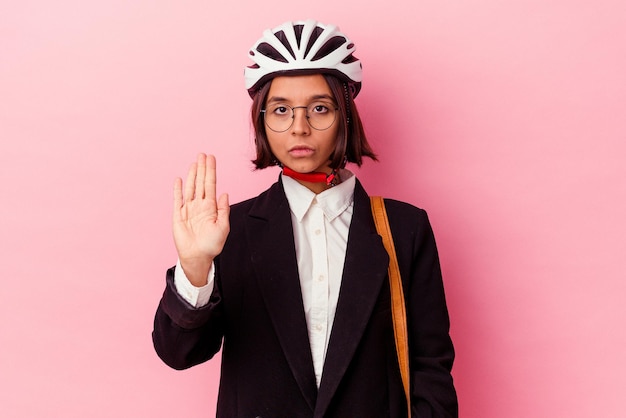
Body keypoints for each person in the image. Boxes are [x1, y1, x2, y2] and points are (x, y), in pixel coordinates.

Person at [152, 19, 458, 417]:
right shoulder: (230, 230)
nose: (299, 127)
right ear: (262, 120)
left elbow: (431, 368)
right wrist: (195, 268)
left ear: (345, 115)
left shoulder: (405, 229)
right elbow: (178, 353)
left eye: (318, 108)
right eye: (280, 110)